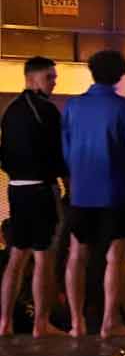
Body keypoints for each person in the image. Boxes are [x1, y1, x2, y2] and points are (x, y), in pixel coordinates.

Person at [61, 50, 125, 339]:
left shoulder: (72, 107)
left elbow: (65, 149)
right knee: (115, 257)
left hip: (80, 194)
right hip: (115, 192)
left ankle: (76, 323)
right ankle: (110, 322)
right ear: (120, 75)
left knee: (77, 255)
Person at [0, 56, 67, 337]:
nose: (54, 82)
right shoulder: (47, 111)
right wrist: (68, 184)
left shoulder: (10, 110)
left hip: (16, 189)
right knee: (44, 258)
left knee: (16, 257)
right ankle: (41, 323)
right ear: (33, 77)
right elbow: (58, 154)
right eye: (50, 77)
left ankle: (4, 322)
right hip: (41, 190)